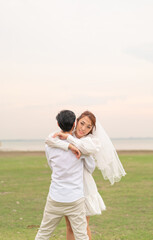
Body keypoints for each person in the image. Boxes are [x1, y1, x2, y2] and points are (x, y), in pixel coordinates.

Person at [46, 110, 126, 240]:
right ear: (76, 122)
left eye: (88, 127)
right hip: (69, 187)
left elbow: (90, 166)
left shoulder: (91, 141)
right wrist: (69, 145)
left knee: (83, 226)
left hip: (84, 187)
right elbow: (50, 141)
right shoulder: (65, 136)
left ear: (91, 129)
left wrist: (70, 140)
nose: (83, 128)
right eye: (82, 123)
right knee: (70, 226)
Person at [35, 110, 96, 240]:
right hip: (75, 199)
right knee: (81, 236)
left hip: (55, 197)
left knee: (43, 234)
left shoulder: (51, 142)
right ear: (75, 124)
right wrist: (71, 147)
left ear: (57, 123)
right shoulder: (80, 147)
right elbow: (91, 168)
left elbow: (51, 164)